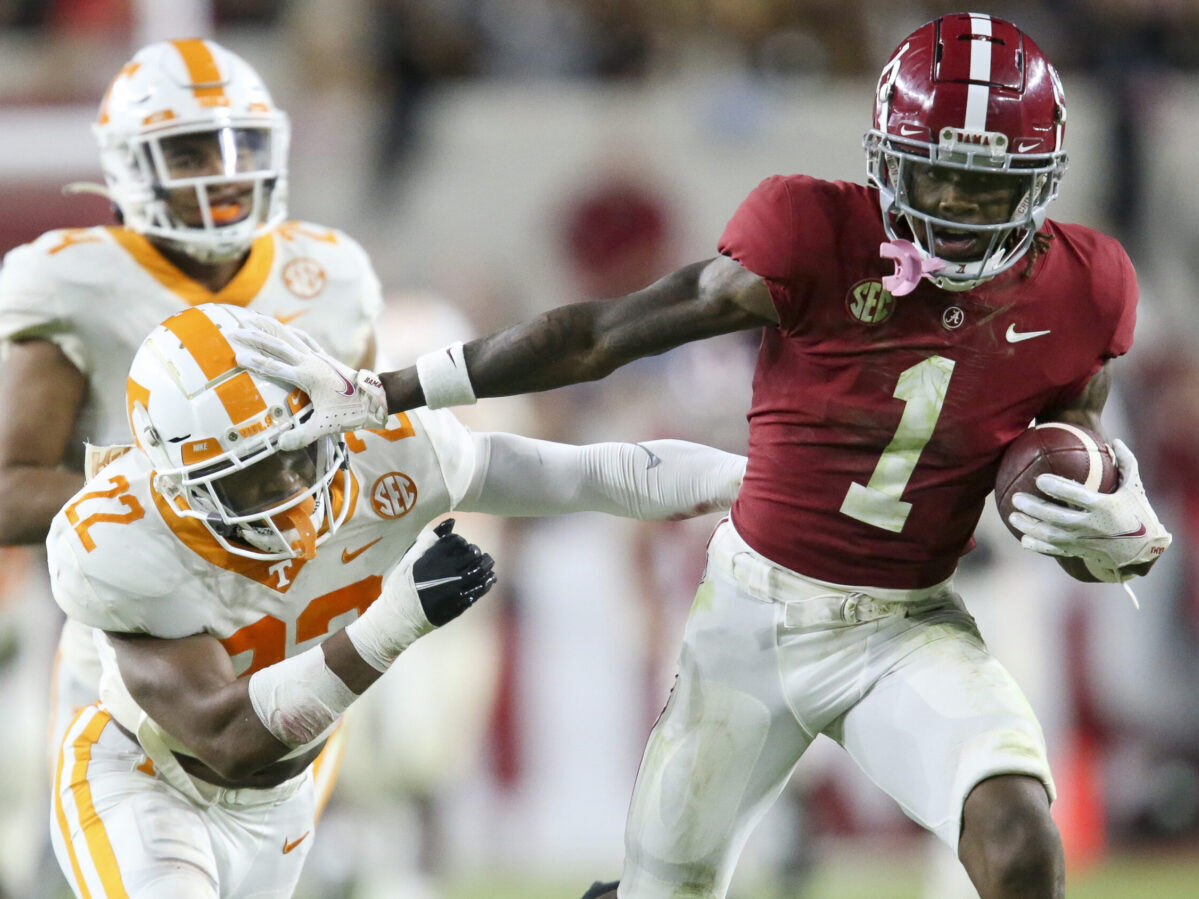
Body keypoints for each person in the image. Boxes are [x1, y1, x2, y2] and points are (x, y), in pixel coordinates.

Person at [233, 13, 1173, 899]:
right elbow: (602, 334)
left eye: (990, 186)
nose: (964, 209)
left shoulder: (1086, 288)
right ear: (888, 161)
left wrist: (1120, 527)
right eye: (940, 179)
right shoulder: (814, 233)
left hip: (908, 628)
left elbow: (1068, 458)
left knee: (1018, 839)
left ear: (1043, 180)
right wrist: (392, 387)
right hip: (752, 621)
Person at [45, 301, 746, 898]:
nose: (290, 489)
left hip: (284, 795)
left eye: (297, 449)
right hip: (149, 777)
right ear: (182, 485)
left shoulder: (385, 445)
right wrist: (392, 625)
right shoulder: (116, 539)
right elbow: (223, 737)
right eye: (251, 477)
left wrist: (777, 487)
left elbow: (595, 475)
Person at [0, 36, 383, 805]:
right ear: (130, 167)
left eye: (240, 143)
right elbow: (8, 491)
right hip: (138, 624)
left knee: (269, 860)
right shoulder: (78, 278)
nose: (225, 169)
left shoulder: (332, 272)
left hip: (290, 618)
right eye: (192, 151)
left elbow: (371, 451)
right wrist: (173, 496)